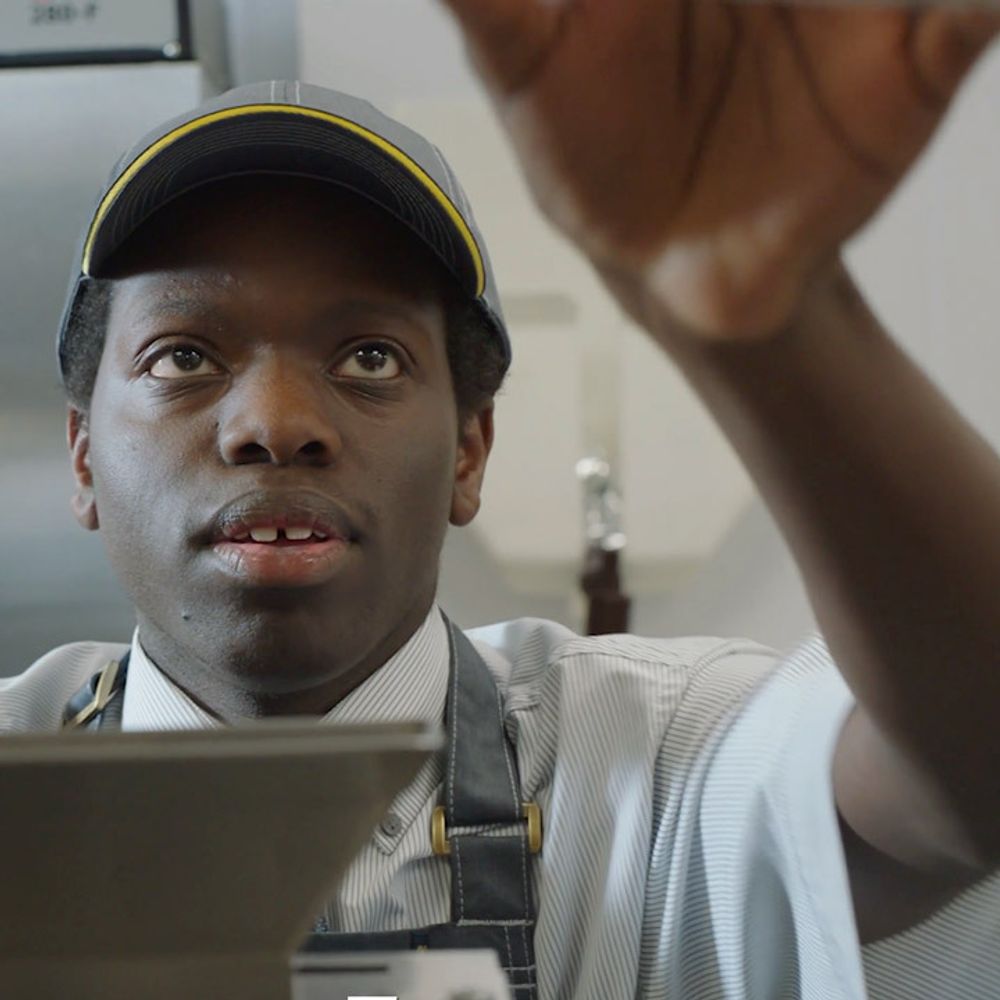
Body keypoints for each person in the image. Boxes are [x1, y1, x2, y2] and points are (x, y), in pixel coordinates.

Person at [3, 3, 1000, 997]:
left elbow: (968, 777)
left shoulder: (654, 761)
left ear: (469, 453)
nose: (274, 421)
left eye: (368, 356)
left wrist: (779, 322)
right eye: (185, 355)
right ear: (84, 455)